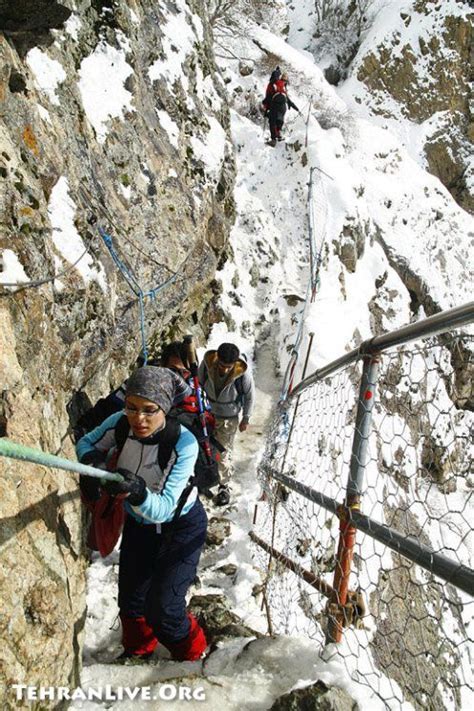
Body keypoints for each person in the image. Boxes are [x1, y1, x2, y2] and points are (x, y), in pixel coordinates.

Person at [76, 367, 208, 662]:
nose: (139, 419)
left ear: (165, 409)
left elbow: (164, 506)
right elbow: (86, 442)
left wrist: (136, 491)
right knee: (132, 601)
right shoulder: (119, 424)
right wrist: (93, 460)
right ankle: (138, 650)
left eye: (150, 410)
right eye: (132, 408)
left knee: (165, 609)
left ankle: (191, 654)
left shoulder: (183, 444)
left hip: (180, 527)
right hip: (138, 524)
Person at [198, 343, 254, 506]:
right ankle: (204, 478)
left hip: (228, 417)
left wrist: (246, 418)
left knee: (222, 451)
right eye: (221, 365)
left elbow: (250, 396)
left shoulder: (242, 373)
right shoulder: (208, 364)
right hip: (208, 413)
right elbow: (199, 384)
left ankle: (224, 486)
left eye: (228, 367)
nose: (223, 369)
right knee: (204, 447)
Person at [262, 71, 299, 147]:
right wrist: (296, 108)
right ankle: (278, 135)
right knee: (279, 120)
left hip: (275, 105)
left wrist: (266, 107)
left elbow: (268, 97)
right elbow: (287, 99)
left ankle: (273, 140)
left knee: (272, 121)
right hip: (283, 107)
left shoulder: (272, 84)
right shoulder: (282, 85)